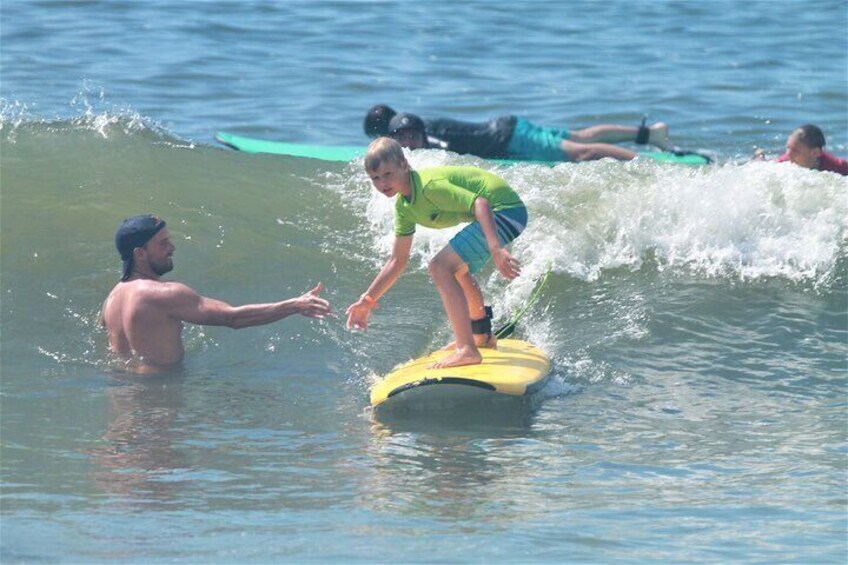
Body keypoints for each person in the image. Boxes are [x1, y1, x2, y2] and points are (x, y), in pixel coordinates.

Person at [345, 137, 527, 369]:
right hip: (500, 214)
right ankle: (480, 336)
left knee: (440, 267)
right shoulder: (404, 207)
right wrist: (367, 300)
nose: (382, 183)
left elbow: (480, 204)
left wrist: (496, 249)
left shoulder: (428, 187)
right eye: (375, 178)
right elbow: (397, 261)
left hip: (506, 211)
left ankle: (467, 350)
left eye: (387, 174)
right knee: (458, 271)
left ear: (404, 164)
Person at [101, 214, 332, 373]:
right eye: (163, 243)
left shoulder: (112, 300)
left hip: (126, 394)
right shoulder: (162, 294)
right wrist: (294, 306)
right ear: (140, 253)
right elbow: (233, 318)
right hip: (159, 396)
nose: (171, 247)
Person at [363, 104, 671, 162]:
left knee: (582, 152)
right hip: (509, 126)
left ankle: (651, 166)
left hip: (511, 138)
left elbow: (444, 151)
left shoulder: (420, 133)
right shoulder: (415, 123)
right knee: (582, 137)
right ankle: (650, 135)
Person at [754, 124, 848, 175]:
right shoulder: (784, 162)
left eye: (795, 150)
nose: (789, 154)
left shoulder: (833, 165)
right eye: (788, 147)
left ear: (815, 153)